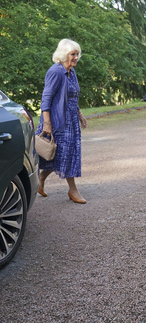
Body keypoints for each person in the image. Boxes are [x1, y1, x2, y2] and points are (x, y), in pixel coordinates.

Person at [36, 39, 87, 204]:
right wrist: (46, 123)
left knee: (60, 156)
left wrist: (80, 114)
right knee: (66, 155)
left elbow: (73, 97)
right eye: (73, 54)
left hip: (71, 120)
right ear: (64, 54)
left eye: (77, 54)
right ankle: (73, 190)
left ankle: (41, 180)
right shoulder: (56, 71)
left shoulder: (71, 72)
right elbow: (46, 98)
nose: (76, 57)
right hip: (57, 121)